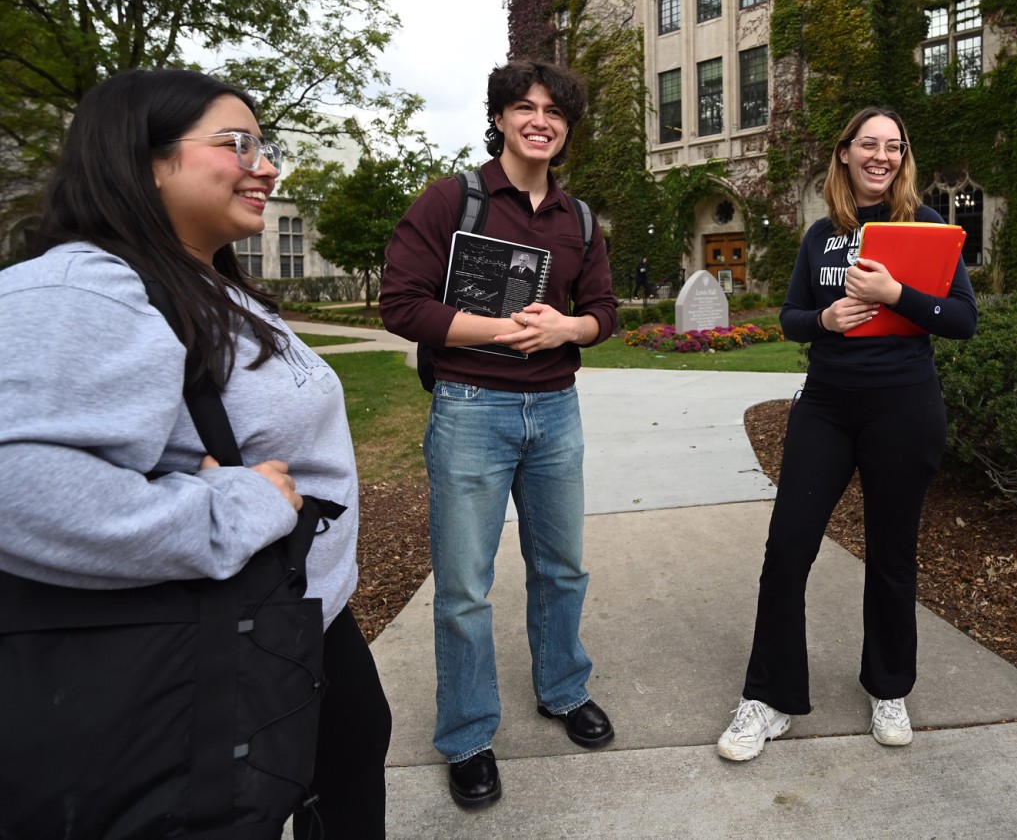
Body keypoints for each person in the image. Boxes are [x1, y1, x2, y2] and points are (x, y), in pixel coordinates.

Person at [0, 69, 391, 838]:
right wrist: (227, 508)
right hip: (210, 641)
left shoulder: (201, 282)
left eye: (265, 145)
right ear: (140, 159)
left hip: (286, 622)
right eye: (236, 143)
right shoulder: (87, 287)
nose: (267, 165)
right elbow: (19, 488)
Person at [380, 60, 618, 811]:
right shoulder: (454, 199)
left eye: (553, 111)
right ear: (501, 118)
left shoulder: (579, 220)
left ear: (567, 128)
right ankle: (468, 736)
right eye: (524, 108)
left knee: (561, 567)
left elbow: (605, 312)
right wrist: (505, 331)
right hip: (470, 407)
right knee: (462, 588)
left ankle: (563, 689)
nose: (539, 120)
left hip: (555, 412)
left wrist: (568, 327)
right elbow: (401, 303)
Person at [716, 106, 977, 762]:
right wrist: (825, 318)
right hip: (827, 407)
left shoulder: (928, 229)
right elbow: (790, 318)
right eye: (869, 144)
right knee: (787, 550)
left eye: (893, 145)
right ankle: (770, 699)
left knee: (892, 555)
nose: (881, 156)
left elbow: (962, 320)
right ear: (844, 154)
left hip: (904, 406)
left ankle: (888, 688)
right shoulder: (820, 237)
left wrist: (897, 294)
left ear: (902, 157)